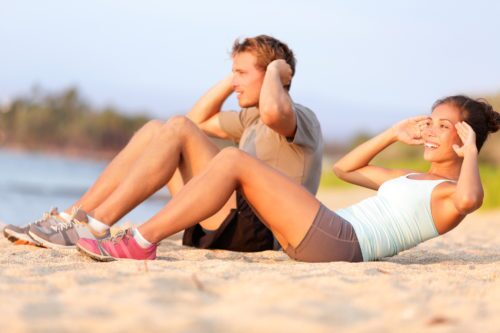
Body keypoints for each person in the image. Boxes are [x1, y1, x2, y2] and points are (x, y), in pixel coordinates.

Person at [76, 95, 499, 262]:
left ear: (465, 138)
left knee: (233, 164)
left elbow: (469, 200)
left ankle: (140, 240)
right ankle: (137, 237)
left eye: (443, 127)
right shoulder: (409, 177)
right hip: (330, 235)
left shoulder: (449, 192)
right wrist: (391, 133)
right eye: (431, 121)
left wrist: (469, 156)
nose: (429, 130)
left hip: (346, 243)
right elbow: (345, 169)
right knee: (230, 165)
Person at [3, 35, 323, 252]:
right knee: (158, 129)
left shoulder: (296, 116)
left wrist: (277, 72)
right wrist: (234, 79)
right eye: (232, 73)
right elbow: (197, 119)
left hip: (261, 230)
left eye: (241, 73)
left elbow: (271, 109)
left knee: (178, 127)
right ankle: (73, 218)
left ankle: (97, 225)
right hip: (230, 222)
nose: (234, 82)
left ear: (273, 75)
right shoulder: (249, 120)